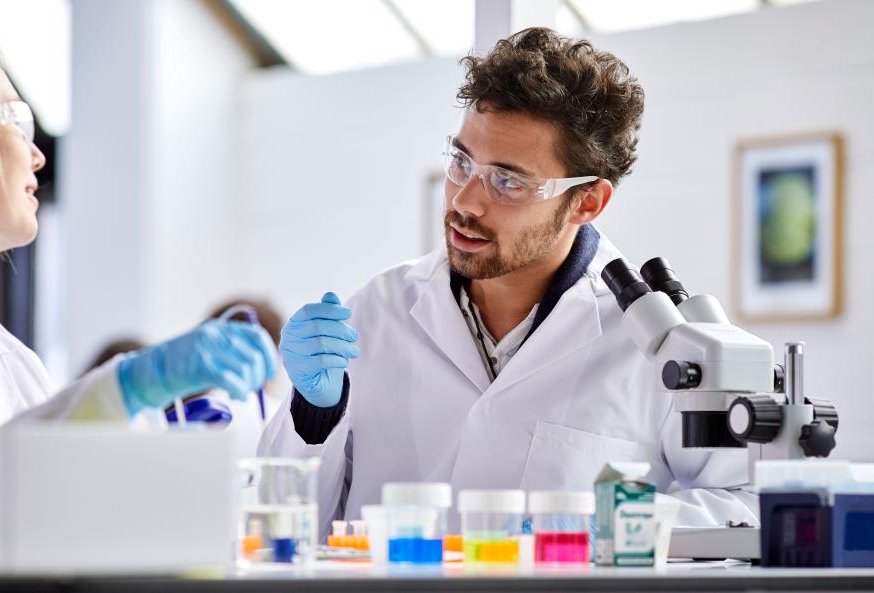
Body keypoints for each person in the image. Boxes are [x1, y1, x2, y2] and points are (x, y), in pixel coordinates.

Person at [260, 28, 756, 536]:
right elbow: (281, 528)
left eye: (508, 181)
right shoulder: (376, 311)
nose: (464, 202)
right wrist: (313, 416)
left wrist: (593, 528)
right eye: (461, 162)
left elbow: (746, 505)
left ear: (587, 202)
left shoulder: (659, 347)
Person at [0, 39, 278, 428]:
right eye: (17, 123)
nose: (38, 156)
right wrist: (126, 387)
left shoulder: (15, 364)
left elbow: (28, 476)